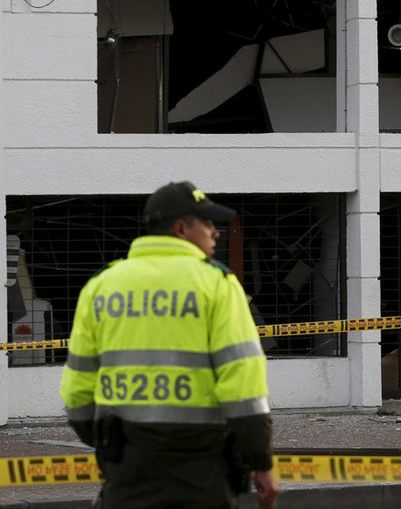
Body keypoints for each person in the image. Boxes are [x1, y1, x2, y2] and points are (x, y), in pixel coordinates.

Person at [59, 181, 280, 509]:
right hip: (202, 470)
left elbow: (78, 389)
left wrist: (106, 443)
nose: (215, 232)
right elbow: (243, 387)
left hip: (127, 469)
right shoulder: (218, 284)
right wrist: (260, 461)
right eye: (207, 223)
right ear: (181, 228)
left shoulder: (101, 286)